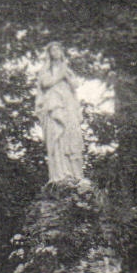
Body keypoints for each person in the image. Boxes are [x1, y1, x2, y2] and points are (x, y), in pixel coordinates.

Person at [35, 42, 85, 184]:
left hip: (68, 104)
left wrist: (66, 75)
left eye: (58, 49)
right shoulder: (47, 69)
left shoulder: (66, 69)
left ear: (61, 52)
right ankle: (61, 173)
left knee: (72, 134)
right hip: (54, 103)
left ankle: (76, 174)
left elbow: (75, 85)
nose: (56, 52)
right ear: (49, 54)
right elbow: (44, 83)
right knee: (57, 136)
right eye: (52, 50)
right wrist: (59, 76)